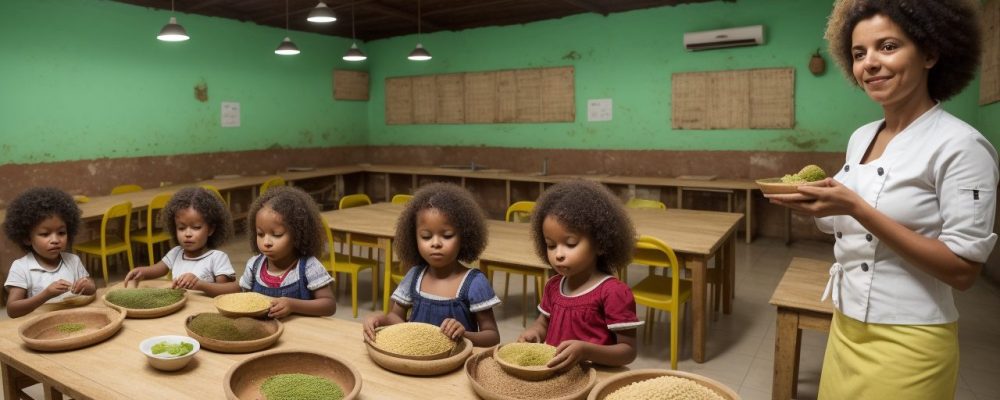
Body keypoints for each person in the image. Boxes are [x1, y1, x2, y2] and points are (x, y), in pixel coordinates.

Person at [768, 1, 996, 398]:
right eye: (859, 54)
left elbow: (963, 270)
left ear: (930, 53)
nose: (870, 63)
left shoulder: (961, 146)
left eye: (888, 47)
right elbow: (844, 220)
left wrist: (856, 207)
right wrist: (814, 203)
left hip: (910, 340)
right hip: (845, 325)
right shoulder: (862, 137)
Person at [517, 180, 641, 369]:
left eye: (571, 244)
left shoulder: (613, 292)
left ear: (600, 244)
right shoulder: (553, 286)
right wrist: (534, 332)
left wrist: (586, 351)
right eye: (551, 245)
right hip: (558, 376)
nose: (558, 254)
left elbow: (628, 351)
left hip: (597, 377)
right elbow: (543, 323)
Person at [363, 183, 500, 347]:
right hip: (415, 358)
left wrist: (465, 335)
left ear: (464, 237)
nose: (436, 243)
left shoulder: (474, 283)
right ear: (414, 238)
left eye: (447, 235)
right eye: (426, 237)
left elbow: (492, 336)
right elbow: (396, 317)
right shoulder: (414, 276)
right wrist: (381, 319)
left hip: (457, 360)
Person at [207, 186, 336, 318]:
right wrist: (205, 287)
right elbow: (241, 292)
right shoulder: (254, 265)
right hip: (262, 328)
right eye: (260, 234)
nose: (266, 242)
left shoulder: (308, 267)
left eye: (277, 235)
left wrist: (293, 305)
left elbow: (329, 305)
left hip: (299, 329)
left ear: (298, 235)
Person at [3, 188, 95, 318]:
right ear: (27, 238)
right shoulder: (21, 267)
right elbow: (12, 310)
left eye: (61, 233)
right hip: (42, 324)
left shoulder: (73, 260)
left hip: (74, 318)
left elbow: (91, 287)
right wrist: (46, 294)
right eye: (45, 234)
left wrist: (88, 285)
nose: (55, 240)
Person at [123, 187, 235, 291]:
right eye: (181, 228)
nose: (187, 234)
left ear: (210, 229)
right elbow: (156, 269)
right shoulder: (176, 253)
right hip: (182, 305)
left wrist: (200, 284)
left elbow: (230, 289)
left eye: (196, 227)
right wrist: (141, 272)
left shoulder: (217, 258)